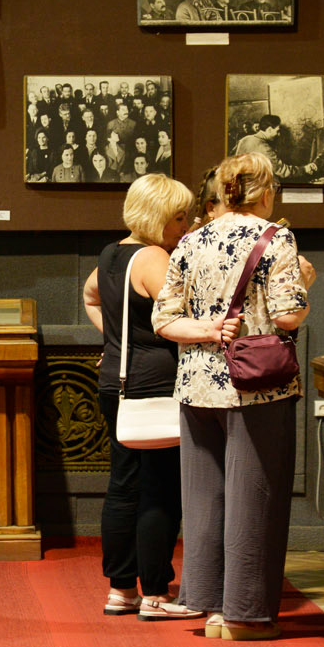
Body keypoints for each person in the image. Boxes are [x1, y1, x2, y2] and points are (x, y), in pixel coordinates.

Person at [153, 152, 317, 641]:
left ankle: (209, 605)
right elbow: (287, 316)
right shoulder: (276, 237)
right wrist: (304, 283)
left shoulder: (192, 239)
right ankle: (244, 615)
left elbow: (164, 319)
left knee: (204, 498)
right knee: (255, 498)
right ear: (264, 192)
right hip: (256, 386)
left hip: (196, 385)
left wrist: (208, 330)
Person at [82, 175, 199, 622]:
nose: (185, 226)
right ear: (157, 216)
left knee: (123, 484)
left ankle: (121, 590)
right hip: (154, 385)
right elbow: (183, 317)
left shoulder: (111, 253)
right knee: (160, 490)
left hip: (115, 381)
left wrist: (115, 342)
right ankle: (154, 593)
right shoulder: (153, 257)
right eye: (180, 217)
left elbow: (90, 297)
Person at [234, 114, 304, 179]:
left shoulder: (244, 139)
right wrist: (304, 169)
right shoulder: (263, 147)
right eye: (277, 131)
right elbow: (281, 170)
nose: (279, 134)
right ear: (269, 130)